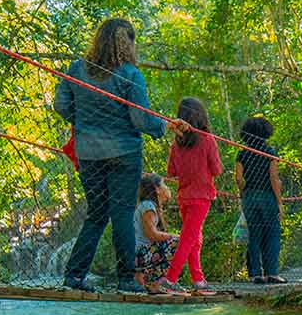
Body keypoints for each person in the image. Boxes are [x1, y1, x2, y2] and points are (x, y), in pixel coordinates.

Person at [54, 17, 184, 293]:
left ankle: (74, 276)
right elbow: (140, 119)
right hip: (124, 153)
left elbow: (61, 104)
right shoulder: (130, 75)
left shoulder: (77, 69)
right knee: (123, 214)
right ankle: (126, 279)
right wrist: (163, 126)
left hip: (89, 153)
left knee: (97, 214)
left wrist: (84, 123)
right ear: (129, 43)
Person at [164, 97, 222, 294]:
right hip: (201, 196)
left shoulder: (176, 144)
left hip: (184, 196)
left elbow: (171, 171)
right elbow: (217, 169)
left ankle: (198, 279)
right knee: (189, 239)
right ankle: (170, 279)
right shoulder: (207, 140)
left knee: (194, 238)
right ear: (201, 116)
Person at [235, 116, 285, 284]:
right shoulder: (269, 152)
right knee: (272, 233)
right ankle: (272, 273)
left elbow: (239, 179)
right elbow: (274, 177)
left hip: (250, 197)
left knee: (254, 236)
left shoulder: (242, 154)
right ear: (265, 132)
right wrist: (279, 202)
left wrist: (244, 195)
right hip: (267, 197)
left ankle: (256, 274)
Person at [134, 174, 179, 294]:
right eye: (164, 184)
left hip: (144, 253)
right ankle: (156, 283)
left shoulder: (149, 205)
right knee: (178, 243)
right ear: (157, 189)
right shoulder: (148, 205)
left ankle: (149, 280)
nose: (167, 188)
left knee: (175, 241)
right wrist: (175, 236)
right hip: (140, 254)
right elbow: (152, 235)